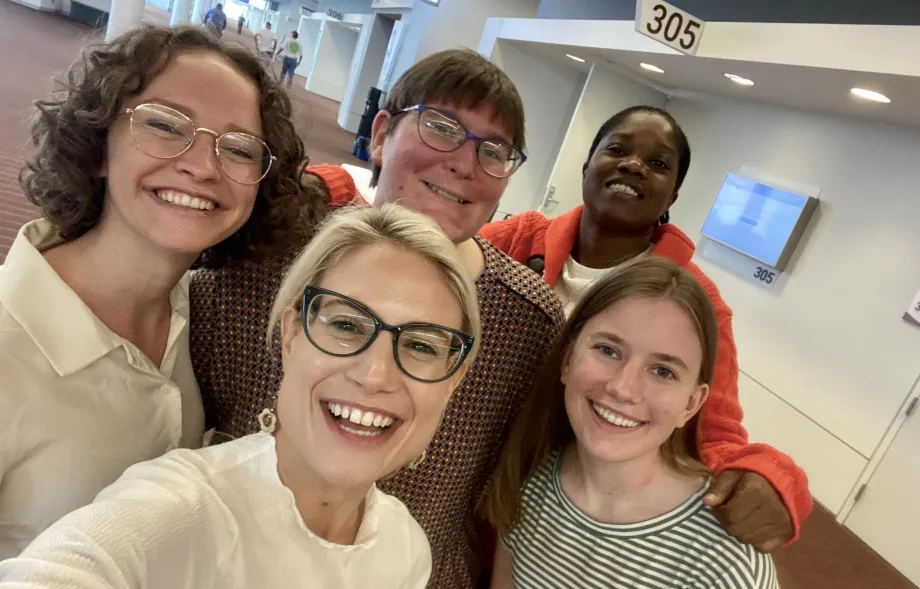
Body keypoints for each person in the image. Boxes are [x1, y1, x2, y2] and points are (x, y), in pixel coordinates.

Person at [189, 49, 564, 589]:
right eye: (440, 127)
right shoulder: (267, 258)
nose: (464, 163)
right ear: (383, 132)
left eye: (494, 151)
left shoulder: (529, 321)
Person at [0, 204, 481, 588]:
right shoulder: (181, 510)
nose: (376, 375)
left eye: (421, 345)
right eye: (346, 324)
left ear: (453, 380)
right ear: (291, 335)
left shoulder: (406, 550)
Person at [0, 25, 312, 561]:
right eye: (166, 125)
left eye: (238, 148)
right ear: (99, 145)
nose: (202, 165)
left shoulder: (201, 313)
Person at [479, 105, 811, 551]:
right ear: (588, 165)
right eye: (617, 149)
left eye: (658, 164)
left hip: (552, 518)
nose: (633, 165)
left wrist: (773, 479)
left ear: (672, 196)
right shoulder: (520, 238)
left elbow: (716, 434)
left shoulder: (698, 304)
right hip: (462, 476)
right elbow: (425, 255)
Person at [482, 257, 778, 588]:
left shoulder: (724, 563)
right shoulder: (529, 478)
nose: (623, 388)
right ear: (568, 360)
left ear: (691, 405)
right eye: (608, 350)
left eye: (663, 371)